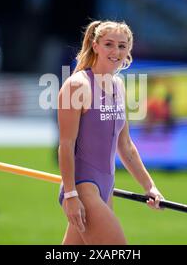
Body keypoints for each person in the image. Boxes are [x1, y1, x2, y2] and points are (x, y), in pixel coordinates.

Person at [57, 20, 165, 244]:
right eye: (109, 44)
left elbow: (125, 146)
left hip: (106, 187)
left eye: (122, 46)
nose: (116, 51)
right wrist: (70, 195)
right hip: (83, 188)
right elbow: (66, 146)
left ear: (128, 51)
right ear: (95, 45)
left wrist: (149, 186)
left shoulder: (118, 85)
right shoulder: (77, 85)